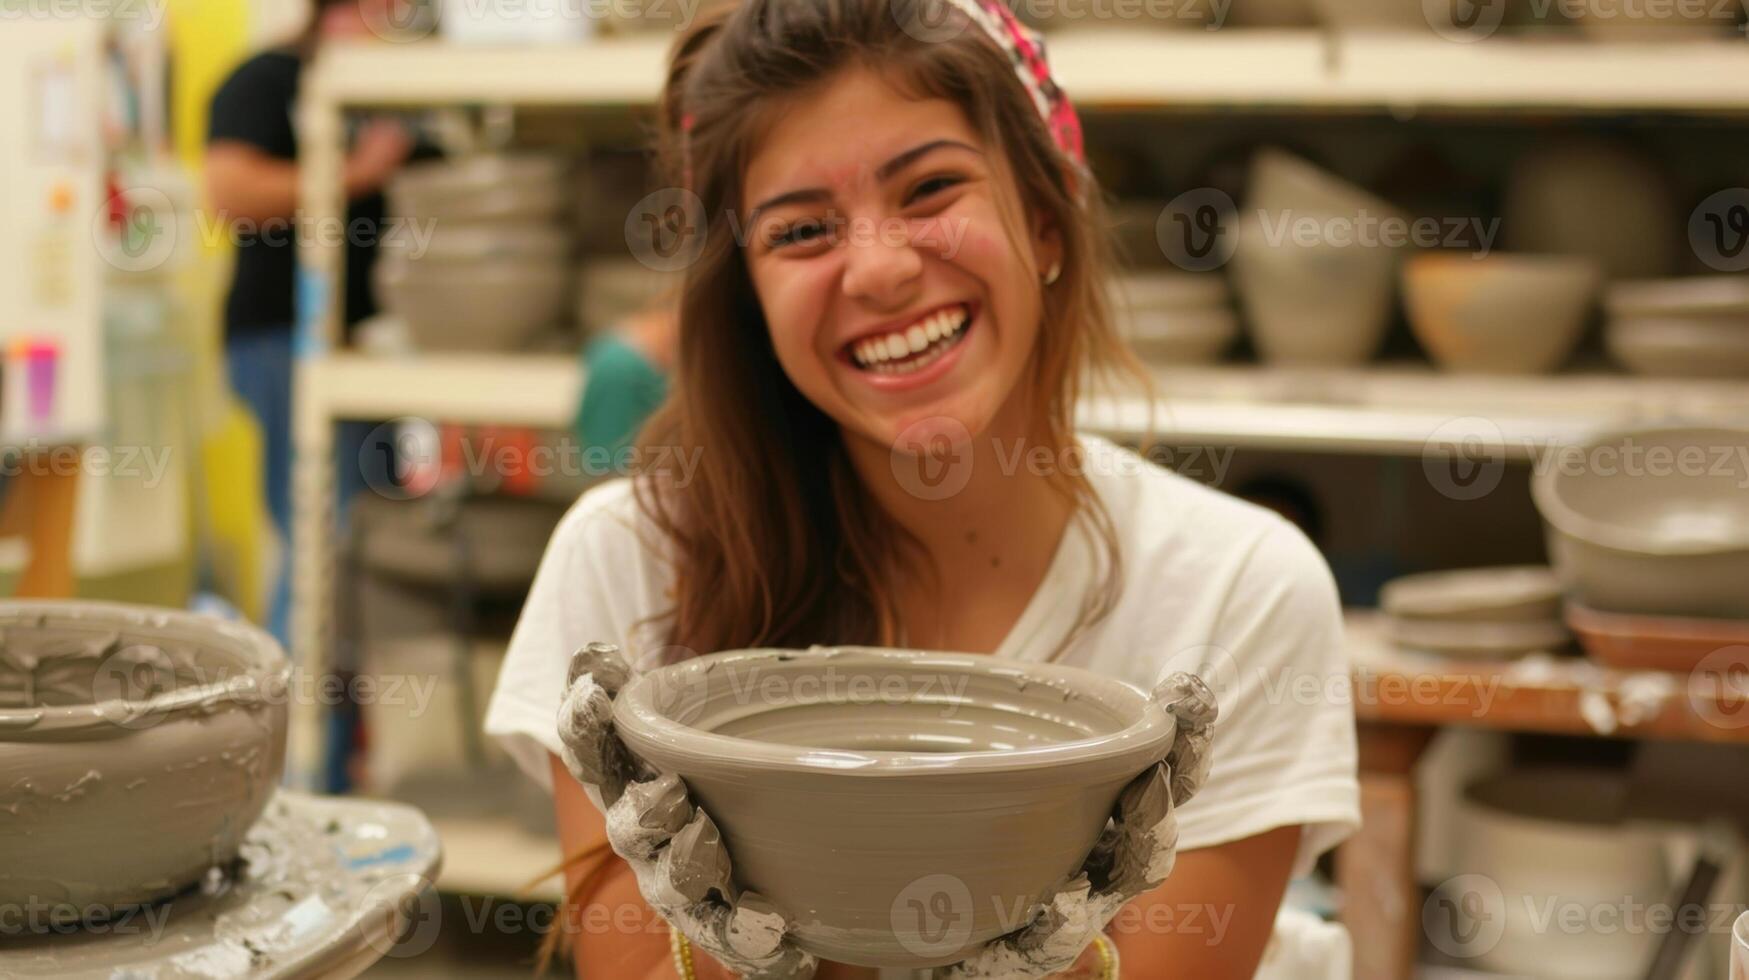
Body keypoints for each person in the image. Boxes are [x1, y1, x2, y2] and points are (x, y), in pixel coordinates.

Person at [486, 0, 1359, 976]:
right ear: (749, 295)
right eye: (803, 229)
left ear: (1043, 222)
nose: (882, 268)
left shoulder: (1235, 591)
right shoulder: (629, 564)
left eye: (932, 187)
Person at [204, 0, 412, 642]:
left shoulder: (403, 85)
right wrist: (356, 173)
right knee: (320, 539)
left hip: (369, 349)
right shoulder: (267, 78)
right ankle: (296, 736)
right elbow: (229, 191)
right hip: (281, 340)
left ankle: (338, 734)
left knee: (360, 544)